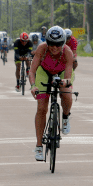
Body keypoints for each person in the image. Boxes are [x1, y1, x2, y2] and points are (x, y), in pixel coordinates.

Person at [29, 26, 75, 161]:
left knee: (66, 93)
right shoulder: (42, 49)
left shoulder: (68, 52)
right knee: (41, 108)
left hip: (62, 73)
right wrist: (33, 86)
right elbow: (32, 71)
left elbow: (68, 77)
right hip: (44, 72)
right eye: (51, 44)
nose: (54, 47)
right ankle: (39, 146)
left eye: (58, 44)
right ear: (47, 42)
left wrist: (65, 82)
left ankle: (65, 117)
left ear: (63, 43)